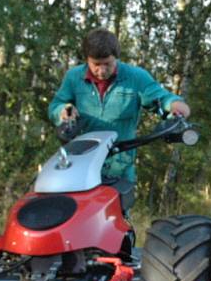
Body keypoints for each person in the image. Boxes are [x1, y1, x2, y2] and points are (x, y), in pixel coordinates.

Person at [48, 28, 190, 183]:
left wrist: (175, 105)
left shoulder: (136, 77)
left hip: (118, 167)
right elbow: (56, 105)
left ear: (116, 57)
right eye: (96, 64)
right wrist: (62, 111)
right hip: (80, 163)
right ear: (87, 59)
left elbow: (161, 98)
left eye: (107, 64)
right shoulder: (74, 77)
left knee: (114, 206)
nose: (101, 70)